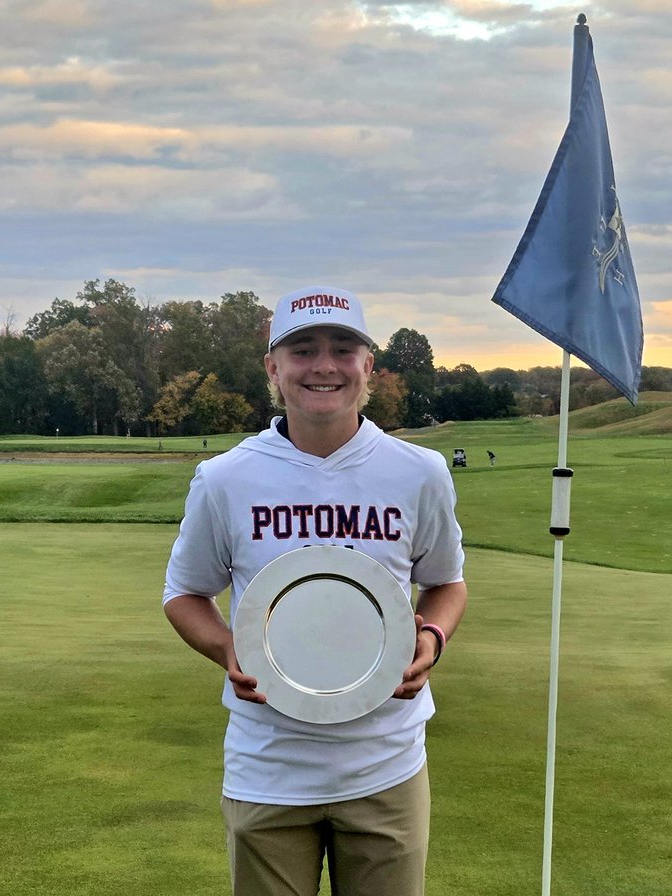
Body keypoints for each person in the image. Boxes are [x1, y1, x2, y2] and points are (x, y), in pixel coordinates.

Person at [163, 285, 467, 896]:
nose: (324, 366)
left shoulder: (419, 472)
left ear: (368, 367)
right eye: (302, 350)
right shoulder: (226, 478)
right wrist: (228, 651)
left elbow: (445, 584)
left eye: (342, 348)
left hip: (387, 759)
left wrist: (430, 637)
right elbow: (184, 593)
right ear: (273, 368)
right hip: (268, 765)